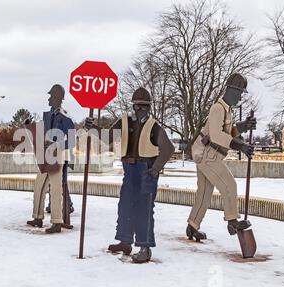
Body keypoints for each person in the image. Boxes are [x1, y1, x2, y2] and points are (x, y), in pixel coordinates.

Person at [85, 87, 175, 263]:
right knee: (125, 205)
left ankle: (145, 247)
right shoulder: (124, 122)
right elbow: (108, 137)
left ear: (149, 107)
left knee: (144, 209)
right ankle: (125, 240)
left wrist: (155, 169)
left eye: (143, 106)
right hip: (129, 169)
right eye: (136, 106)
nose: (139, 109)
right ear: (132, 106)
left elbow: (168, 149)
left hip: (146, 170)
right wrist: (93, 128)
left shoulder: (154, 127)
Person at [186, 73, 256, 242]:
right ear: (232, 90)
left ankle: (192, 227)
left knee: (204, 193)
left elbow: (228, 132)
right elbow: (217, 136)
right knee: (228, 184)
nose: (240, 97)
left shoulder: (227, 109)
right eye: (239, 93)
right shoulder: (218, 108)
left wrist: (244, 126)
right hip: (208, 155)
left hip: (209, 154)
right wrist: (241, 145)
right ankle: (232, 221)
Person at [26, 84, 75, 234]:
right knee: (39, 185)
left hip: (57, 154)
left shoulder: (66, 118)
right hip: (45, 153)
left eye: (51, 96)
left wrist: (57, 144)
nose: (48, 99)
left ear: (57, 98)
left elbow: (72, 141)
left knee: (55, 188)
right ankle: (37, 217)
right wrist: (31, 127)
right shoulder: (47, 116)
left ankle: (56, 222)